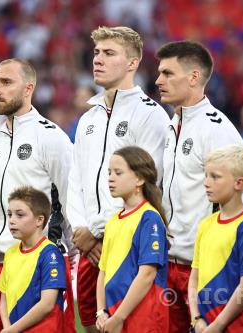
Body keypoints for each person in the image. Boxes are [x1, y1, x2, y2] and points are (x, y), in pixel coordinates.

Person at [66, 26, 169, 332]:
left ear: (132, 63)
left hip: (128, 242)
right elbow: (76, 180)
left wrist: (98, 229)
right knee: (91, 324)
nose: (98, 59)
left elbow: (150, 181)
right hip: (87, 245)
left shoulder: (151, 115)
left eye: (109, 53)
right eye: (97, 53)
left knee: (128, 323)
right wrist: (80, 230)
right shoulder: (87, 119)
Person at [155, 40, 243, 333]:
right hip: (169, 264)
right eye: (160, 73)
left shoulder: (216, 129)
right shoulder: (173, 125)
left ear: (194, 77)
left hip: (206, 269)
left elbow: (238, 200)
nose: (159, 80)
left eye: (169, 73)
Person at [0, 58, 76, 333]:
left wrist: (69, 252)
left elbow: (70, 198)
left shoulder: (51, 137)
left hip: (40, 263)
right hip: (0, 263)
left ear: (28, 88)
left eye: (6, 82)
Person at [95, 146, 169, 333]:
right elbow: (103, 271)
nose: (110, 178)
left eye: (118, 173)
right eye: (109, 172)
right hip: (113, 316)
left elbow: (147, 274)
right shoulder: (113, 221)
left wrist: (119, 316)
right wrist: (101, 311)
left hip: (143, 318)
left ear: (139, 178)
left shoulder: (149, 218)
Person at [188, 145, 243, 333]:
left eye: (215, 177)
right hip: (203, 325)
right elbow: (194, 278)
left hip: (236, 326)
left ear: (239, 183)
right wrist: (196, 319)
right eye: (206, 175)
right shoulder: (205, 224)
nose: (206, 183)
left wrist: (217, 326)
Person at [0, 186, 67, 332]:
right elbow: (3, 299)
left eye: (20, 215)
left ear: (39, 220)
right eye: (10, 214)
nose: (12, 221)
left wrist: (13, 330)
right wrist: (7, 327)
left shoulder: (49, 254)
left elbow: (47, 303)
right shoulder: (10, 253)